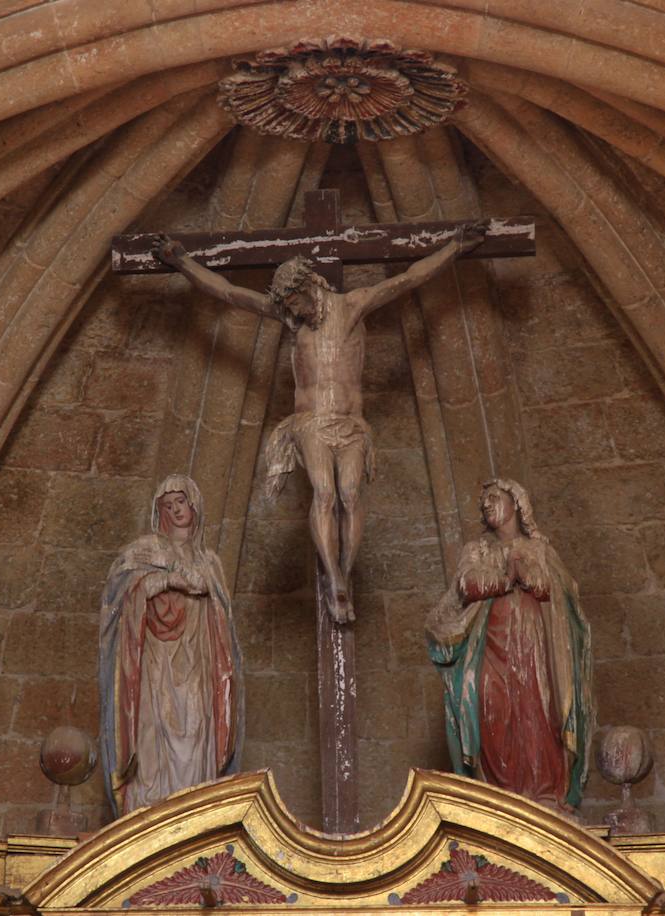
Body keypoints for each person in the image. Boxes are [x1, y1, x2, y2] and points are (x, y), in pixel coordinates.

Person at [155, 224, 485, 624]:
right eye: (288, 308)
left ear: (310, 285)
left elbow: (409, 279)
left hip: (351, 424)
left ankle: (344, 571)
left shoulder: (353, 306)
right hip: (311, 422)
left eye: (295, 303)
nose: (292, 314)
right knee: (325, 494)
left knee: (350, 493)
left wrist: (454, 247)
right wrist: (183, 262)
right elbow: (230, 293)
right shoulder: (292, 320)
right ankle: (334, 578)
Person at [426, 479, 593, 809]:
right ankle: (500, 800)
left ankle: (545, 794)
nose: (487, 505)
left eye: (494, 498)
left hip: (533, 645)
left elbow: (562, 595)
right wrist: (504, 580)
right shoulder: (478, 550)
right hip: (490, 645)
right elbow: (466, 584)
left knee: (537, 711)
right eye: (482, 502)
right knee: (490, 710)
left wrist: (530, 574)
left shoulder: (541, 550)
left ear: (516, 503)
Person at [99, 475, 242, 816]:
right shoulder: (142, 552)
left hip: (198, 663)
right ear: (160, 511)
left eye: (182, 502)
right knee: (152, 733)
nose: (177, 510)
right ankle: (148, 817)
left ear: (195, 507)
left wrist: (205, 590)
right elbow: (118, 599)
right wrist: (166, 580)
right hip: (153, 665)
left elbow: (225, 625)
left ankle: (191, 815)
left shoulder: (209, 562)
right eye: (169, 505)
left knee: (195, 732)